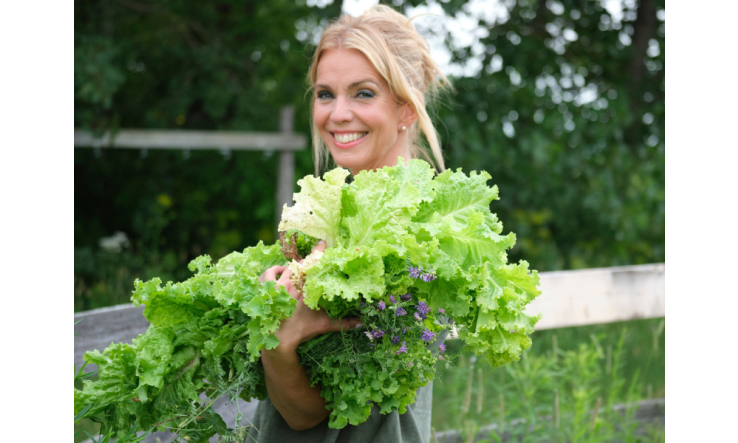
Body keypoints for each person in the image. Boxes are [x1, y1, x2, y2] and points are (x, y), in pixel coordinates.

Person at [247, 5, 450, 442]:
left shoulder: (412, 235)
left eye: (363, 93)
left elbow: (307, 417)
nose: (337, 114)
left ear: (407, 110)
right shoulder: (340, 221)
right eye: (325, 94)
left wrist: (278, 343)